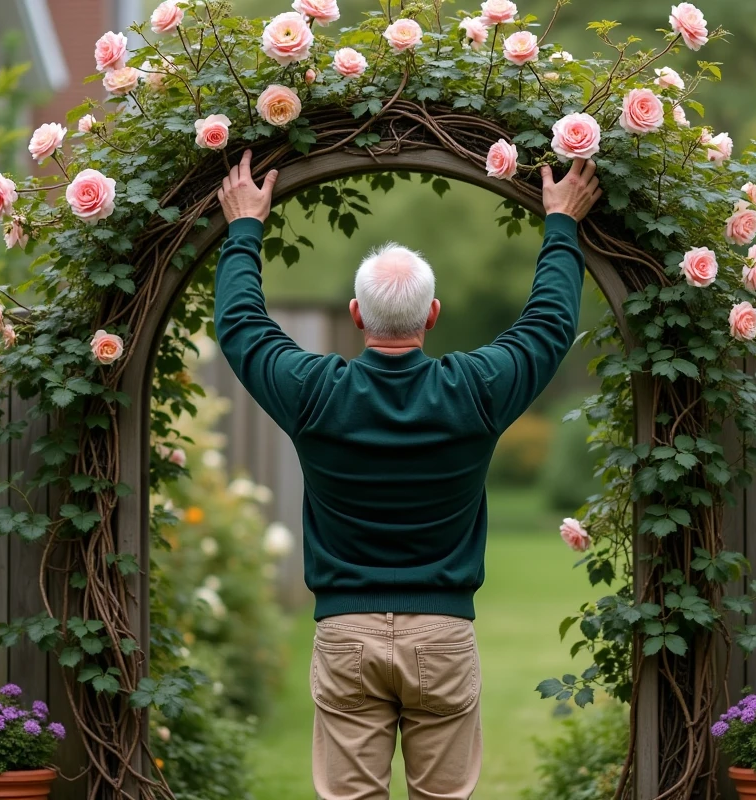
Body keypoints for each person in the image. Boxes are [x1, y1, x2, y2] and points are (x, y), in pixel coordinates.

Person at [214, 149, 600, 800]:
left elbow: (241, 327)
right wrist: (561, 223)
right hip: (443, 635)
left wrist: (245, 227)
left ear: (358, 317)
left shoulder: (315, 393)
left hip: (345, 635)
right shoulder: (474, 390)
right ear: (433, 315)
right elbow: (550, 325)